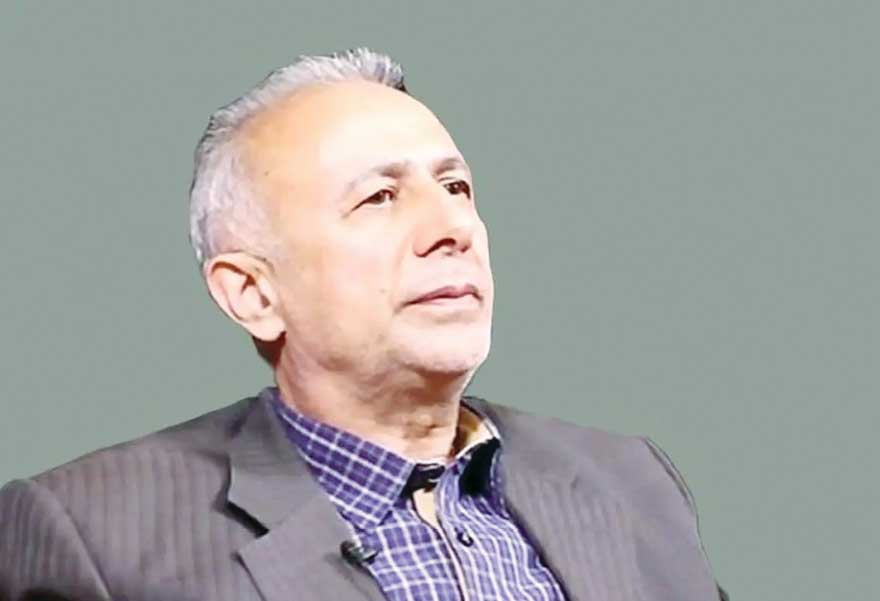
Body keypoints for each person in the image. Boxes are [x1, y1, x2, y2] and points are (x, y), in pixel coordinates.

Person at [0, 48, 727, 601]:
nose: (451, 228)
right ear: (252, 293)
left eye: (456, 186)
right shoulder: (93, 534)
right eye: (379, 198)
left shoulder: (631, 481)